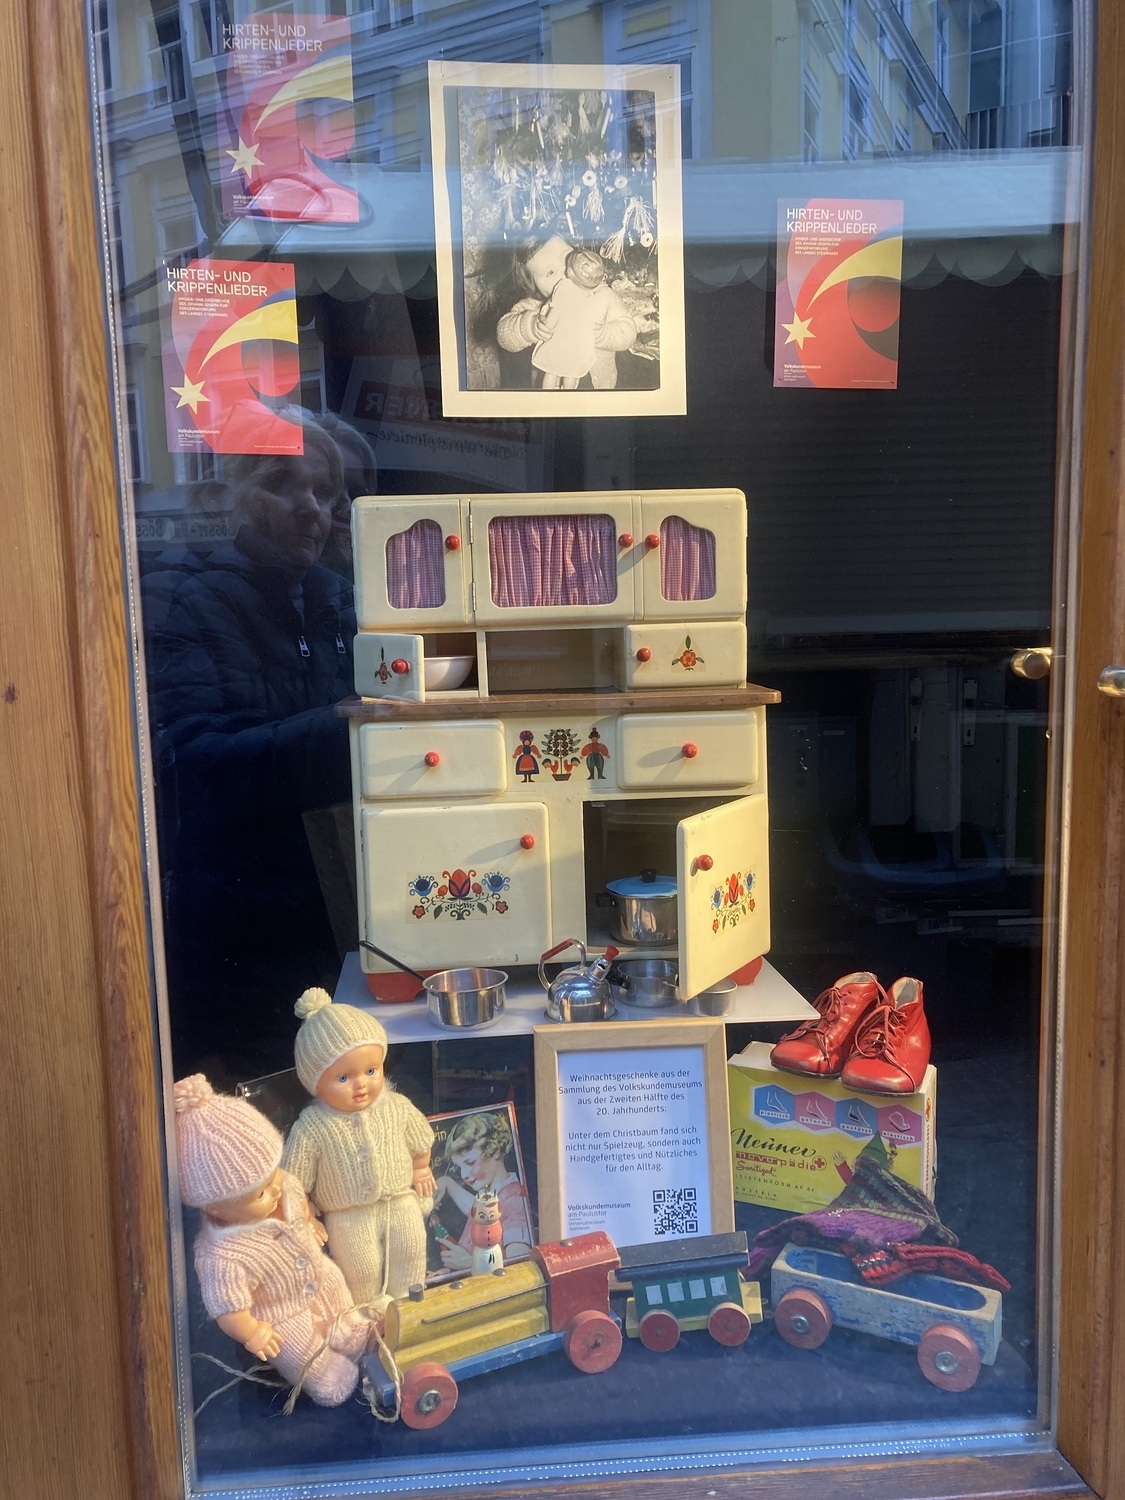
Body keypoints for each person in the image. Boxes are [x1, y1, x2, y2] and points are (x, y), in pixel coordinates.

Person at [143, 423, 356, 1081]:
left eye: (325, 491)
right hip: (241, 935)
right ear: (228, 496)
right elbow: (197, 769)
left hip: (341, 918)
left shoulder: (342, 600)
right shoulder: (186, 601)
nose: (310, 508)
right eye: (282, 484)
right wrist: (350, 730)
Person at [173, 1073, 372, 1407]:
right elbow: (228, 1308)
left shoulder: (284, 1186)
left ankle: (352, 1332)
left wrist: (309, 1220)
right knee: (297, 1350)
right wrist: (251, 1332)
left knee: (338, 1290)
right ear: (214, 1207)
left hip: (319, 1275)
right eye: (261, 1192)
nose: (277, 1187)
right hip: (280, 1313)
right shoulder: (222, 1255)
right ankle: (325, 1374)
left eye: (274, 1172)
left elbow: (298, 1198)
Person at [282, 989, 436, 1312]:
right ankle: (364, 1317)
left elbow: (421, 1137)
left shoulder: (395, 1105)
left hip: (399, 1200)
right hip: (346, 1214)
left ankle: (411, 1308)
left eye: (371, 1071)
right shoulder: (313, 1125)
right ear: (315, 1084)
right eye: (343, 1077)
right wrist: (305, 1213)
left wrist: (420, 1167)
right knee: (360, 1269)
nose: (361, 1084)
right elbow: (293, 1179)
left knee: (411, 1251)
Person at [496, 233, 637, 391]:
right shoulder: (539, 307)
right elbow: (503, 334)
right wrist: (531, 326)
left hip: (599, 388)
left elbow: (629, 331)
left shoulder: (602, 295)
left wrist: (604, 334)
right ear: (533, 286)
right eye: (551, 272)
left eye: (567, 257)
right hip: (551, 389)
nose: (566, 272)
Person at [431, 1110, 532, 1273]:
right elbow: (475, 1209)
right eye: (459, 1167)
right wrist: (446, 1182)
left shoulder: (514, 1200)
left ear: (495, 1150)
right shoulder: (494, 1193)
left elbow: (518, 1263)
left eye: (470, 1163)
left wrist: (470, 1263)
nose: (463, 1175)